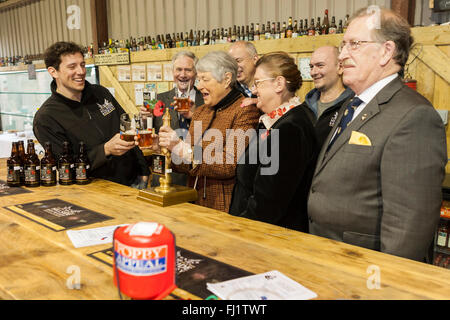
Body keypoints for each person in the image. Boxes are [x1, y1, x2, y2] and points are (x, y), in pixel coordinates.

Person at [307, 7, 447, 262]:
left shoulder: (413, 116)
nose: (342, 55)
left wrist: (384, 284)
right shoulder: (352, 105)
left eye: (354, 44)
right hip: (329, 257)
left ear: (386, 51)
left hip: (365, 269)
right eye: (342, 45)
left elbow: (408, 227)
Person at [33, 41, 149, 188]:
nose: (81, 71)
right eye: (72, 67)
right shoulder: (46, 118)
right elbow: (67, 168)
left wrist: (144, 170)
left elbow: (129, 130)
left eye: (82, 65)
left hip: (134, 182)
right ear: (53, 71)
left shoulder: (100, 93)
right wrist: (105, 150)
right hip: (95, 191)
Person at [157, 51, 261, 212]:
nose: (198, 86)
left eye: (205, 79)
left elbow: (228, 164)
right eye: (199, 79)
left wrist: (181, 148)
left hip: (224, 208)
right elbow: (187, 164)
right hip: (192, 201)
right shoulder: (200, 112)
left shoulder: (245, 111)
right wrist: (162, 150)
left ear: (227, 79)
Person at [229, 52, 318, 232]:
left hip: (268, 235)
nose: (254, 91)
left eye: (258, 83)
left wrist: (238, 229)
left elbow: (268, 203)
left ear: (279, 84)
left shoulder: (290, 127)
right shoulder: (273, 121)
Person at [140, 51, 204, 187]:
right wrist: (144, 120)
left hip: (195, 175)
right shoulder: (157, 99)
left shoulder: (206, 100)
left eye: (188, 70)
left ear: (196, 73)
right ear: (172, 72)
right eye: (179, 69)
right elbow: (145, 131)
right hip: (165, 175)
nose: (183, 74)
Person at [304, 46, 354, 147]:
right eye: (311, 67)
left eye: (320, 65)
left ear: (340, 68)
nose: (313, 72)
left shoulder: (352, 107)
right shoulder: (305, 107)